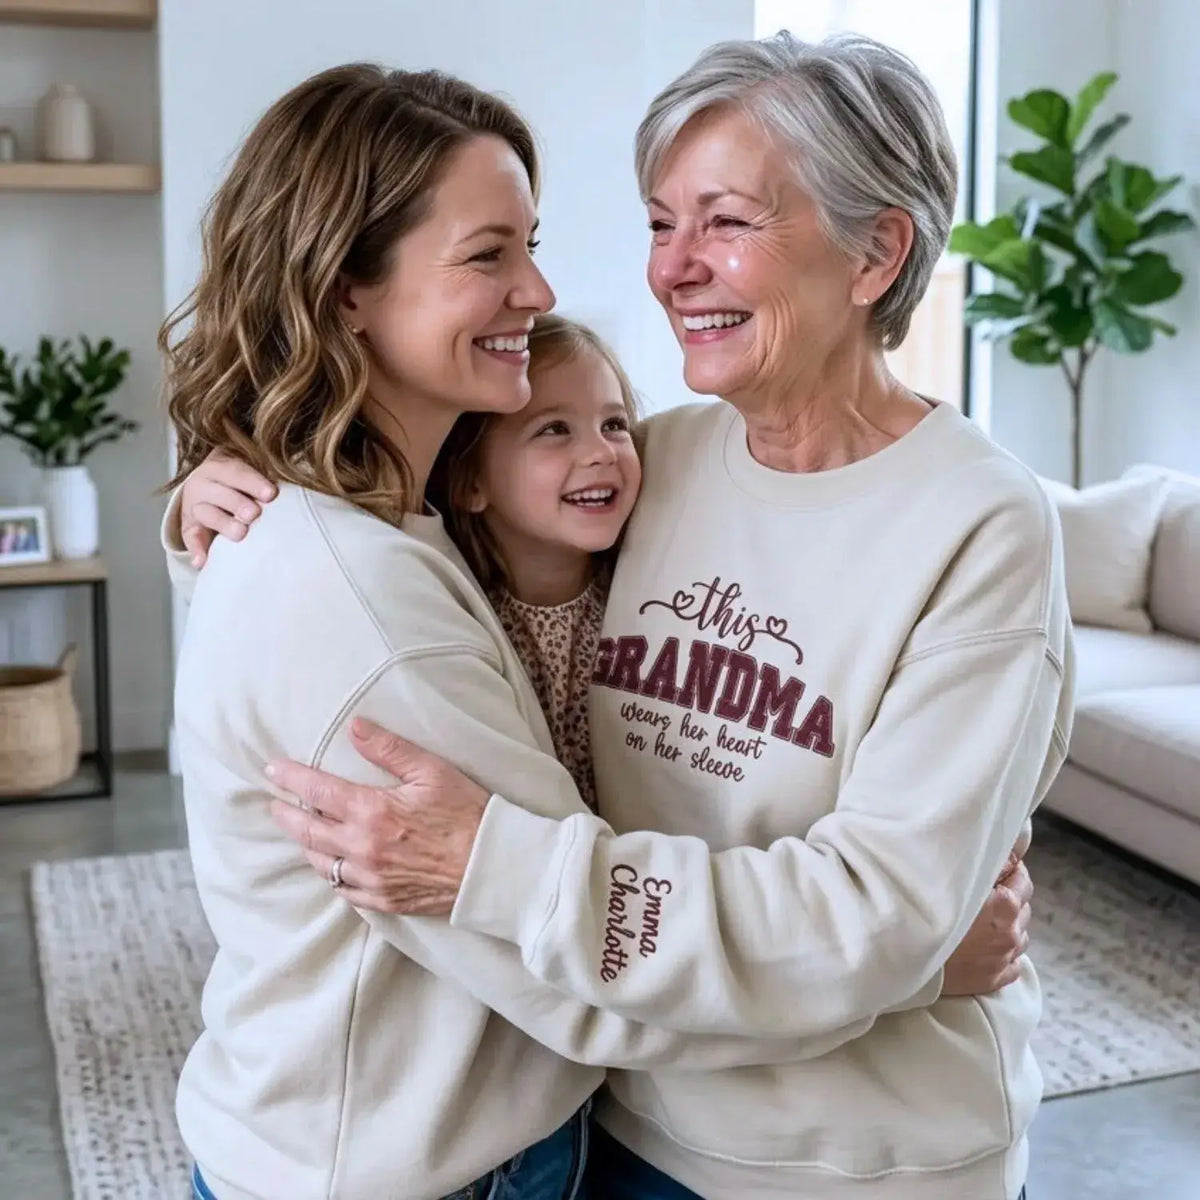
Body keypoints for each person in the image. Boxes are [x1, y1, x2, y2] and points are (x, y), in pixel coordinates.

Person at [178, 32, 1071, 1200]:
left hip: (846, 1162)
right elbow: (377, 571)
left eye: (728, 222)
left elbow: (883, 915)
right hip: (630, 1118)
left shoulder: (980, 528)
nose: (672, 268)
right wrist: (215, 495)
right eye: (661, 223)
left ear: (876, 254)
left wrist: (500, 866)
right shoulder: (658, 466)